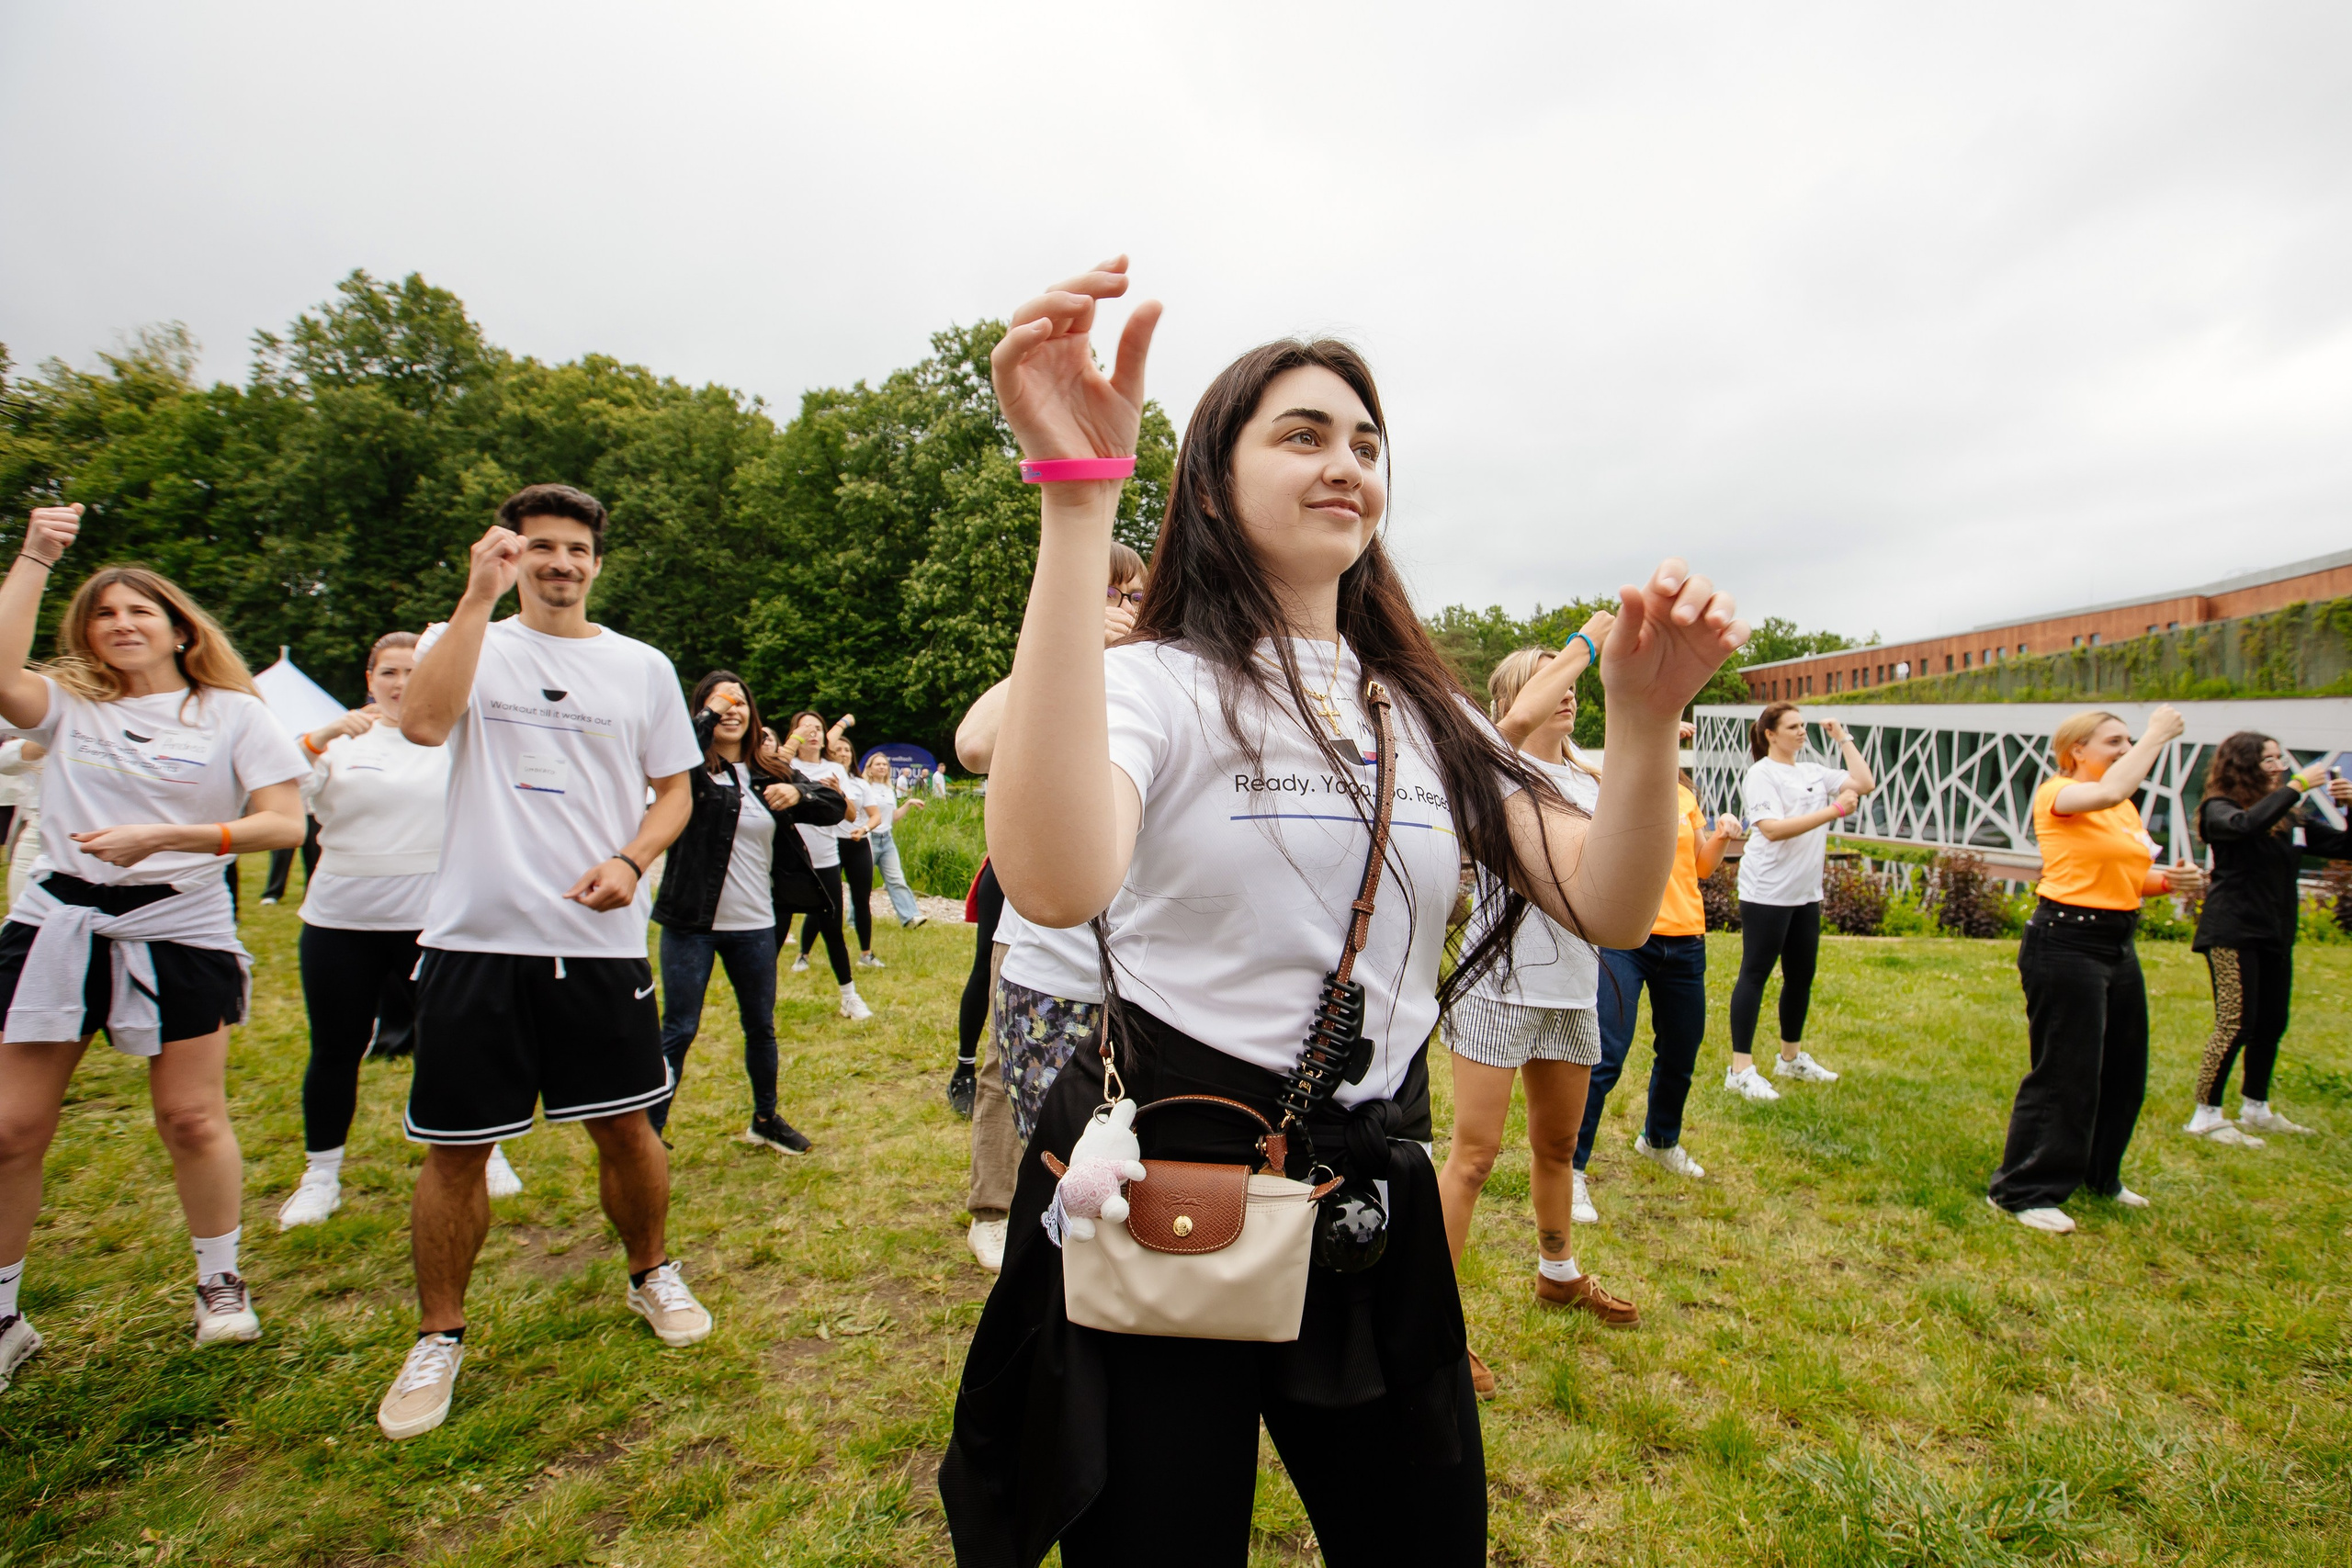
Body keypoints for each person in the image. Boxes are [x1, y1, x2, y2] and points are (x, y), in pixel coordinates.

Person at [937, 257, 1747, 1565]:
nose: (1345, 464)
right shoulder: (1160, 682)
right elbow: (1053, 878)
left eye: (1367, 442)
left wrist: (1645, 728)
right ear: (1212, 476)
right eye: (1302, 432)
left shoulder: (1427, 709)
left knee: (1423, 1539)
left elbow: (1604, 899)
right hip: (1175, 1179)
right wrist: (1079, 503)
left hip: (1367, 1189)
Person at [374, 482, 712, 1441]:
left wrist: (630, 859)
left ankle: (651, 1273)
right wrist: (475, 601)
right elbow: (424, 726)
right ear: (509, 554)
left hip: (595, 940)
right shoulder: (470, 637)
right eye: (540, 547)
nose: (560, 562)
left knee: (626, 1128)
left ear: (596, 563)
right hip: (475, 937)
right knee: (456, 1149)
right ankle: (439, 1336)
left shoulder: (640, 666)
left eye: (575, 548)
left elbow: (673, 792)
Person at [0, 506, 309, 1392]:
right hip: (58, 921)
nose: (122, 624)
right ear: (86, 633)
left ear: (178, 627)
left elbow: (282, 818)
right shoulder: (68, 707)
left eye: (141, 611)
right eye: (104, 614)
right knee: (13, 1127)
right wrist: (35, 555)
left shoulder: (232, 715)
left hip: (178, 925)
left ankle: (219, 1279)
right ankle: (6, 1313)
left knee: (191, 1116)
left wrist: (173, 837)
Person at [1439, 634, 1642, 1402]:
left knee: (1556, 1145)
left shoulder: (1592, 782)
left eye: (1569, 683)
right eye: (1543, 680)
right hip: (1496, 987)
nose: (1564, 692)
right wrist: (1587, 641)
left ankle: (1558, 1272)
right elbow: (1517, 720)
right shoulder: (1492, 765)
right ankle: (1436, 1324)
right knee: (1474, 1157)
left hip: (1570, 988)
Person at [277, 632, 524, 1230]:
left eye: (414, 670)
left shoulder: (457, 739)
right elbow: (274, 783)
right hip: (340, 920)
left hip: (433, 924)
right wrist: (325, 734)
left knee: (456, 1046)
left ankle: (484, 1152)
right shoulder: (338, 744)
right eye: (389, 671)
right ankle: (321, 1175)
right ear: (370, 679)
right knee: (335, 1048)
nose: (401, 681)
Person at [949, 541, 1146, 1272]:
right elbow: (973, 744)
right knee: (1008, 1071)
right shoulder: (1046, 668)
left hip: (1131, 946)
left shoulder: (1151, 672)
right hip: (1038, 932)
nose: (1119, 610)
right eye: (1106, 593)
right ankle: (994, 1208)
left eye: (1131, 597)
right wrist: (1070, 648)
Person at [1987, 705, 2205, 1234]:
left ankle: (2099, 1175)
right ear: (2077, 752)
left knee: (2124, 1069)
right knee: (2067, 1070)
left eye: (2130, 741)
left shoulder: (2122, 810)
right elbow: (2108, 792)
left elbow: (2129, 875)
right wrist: (2156, 734)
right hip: (2066, 941)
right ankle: (2021, 1191)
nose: (2127, 750)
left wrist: (2171, 881)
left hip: (2116, 942)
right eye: (2115, 742)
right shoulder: (2059, 793)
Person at [647, 671, 846, 1153]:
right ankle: (648, 1130)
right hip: (691, 923)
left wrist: (800, 794)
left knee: (760, 1025)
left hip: (756, 925)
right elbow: (676, 749)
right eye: (719, 705)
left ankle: (765, 1118)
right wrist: (707, 715)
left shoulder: (769, 771)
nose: (731, 710)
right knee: (679, 1027)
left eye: (739, 703)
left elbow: (835, 806)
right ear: (702, 713)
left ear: (753, 715)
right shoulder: (687, 769)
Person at [1576, 720, 1741, 1218]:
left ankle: (1661, 1139)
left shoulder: (1685, 797)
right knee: (1606, 1055)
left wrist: (1723, 836)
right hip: (1628, 938)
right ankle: (1572, 1169)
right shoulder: (1612, 785)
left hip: (1686, 940)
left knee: (1681, 1049)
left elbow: (1701, 866)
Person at [2182, 733, 2352, 1146]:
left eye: (2280, 758)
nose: (2279, 766)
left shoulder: (2290, 820)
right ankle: (2205, 1115)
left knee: (2272, 1022)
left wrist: (2349, 805)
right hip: (2232, 932)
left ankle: (2255, 1107)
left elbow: (2347, 845)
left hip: (2275, 934)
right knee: (2235, 1022)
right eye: (2269, 760)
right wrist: (2297, 788)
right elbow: (2246, 826)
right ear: (2243, 766)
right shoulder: (2218, 810)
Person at [1724, 703, 1874, 1100]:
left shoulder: (1811, 772)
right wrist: (1835, 809)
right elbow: (1771, 830)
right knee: (1754, 974)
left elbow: (1865, 781)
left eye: (1804, 725)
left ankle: (1789, 1059)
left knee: (1800, 976)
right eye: (1793, 726)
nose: (1801, 732)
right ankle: (1740, 1069)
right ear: (1771, 734)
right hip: (1767, 891)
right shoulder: (1762, 774)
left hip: (1805, 892)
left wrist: (1842, 737)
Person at [779, 713, 872, 1020]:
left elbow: (849, 815)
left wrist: (839, 792)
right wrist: (796, 739)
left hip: (826, 859)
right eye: (807, 729)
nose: (814, 733)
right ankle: (761, 997)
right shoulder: (786, 767)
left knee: (833, 930)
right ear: (795, 734)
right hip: (791, 861)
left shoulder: (834, 768)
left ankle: (849, 997)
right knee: (776, 932)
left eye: (818, 728)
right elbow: (775, 765)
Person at [828, 735, 883, 967]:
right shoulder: (822, 779)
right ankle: (804, 954)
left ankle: (866, 954)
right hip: (830, 843)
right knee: (827, 901)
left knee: (862, 900)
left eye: (847, 750)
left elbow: (875, 816)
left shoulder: (860, 784)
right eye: (838, 749)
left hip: (858, 843)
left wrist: (864, 828)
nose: (843, 753)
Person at [858, 751, 927, 929]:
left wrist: (909, 803)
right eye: (878, 764)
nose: (882, 767)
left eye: (884, 765)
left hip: (886, 840)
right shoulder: (864, 787)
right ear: (870, 769)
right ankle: (854, 920)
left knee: (896, 879)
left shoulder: (889, 790)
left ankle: (911, 917)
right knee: (862, 882)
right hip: (869, 839)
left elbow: (893, 817)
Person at [0, 739, 46, 909]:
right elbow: (5, 761)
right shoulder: (65, 718)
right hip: (41, 831)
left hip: (117, 833)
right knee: (22, 916)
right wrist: (48, 739)